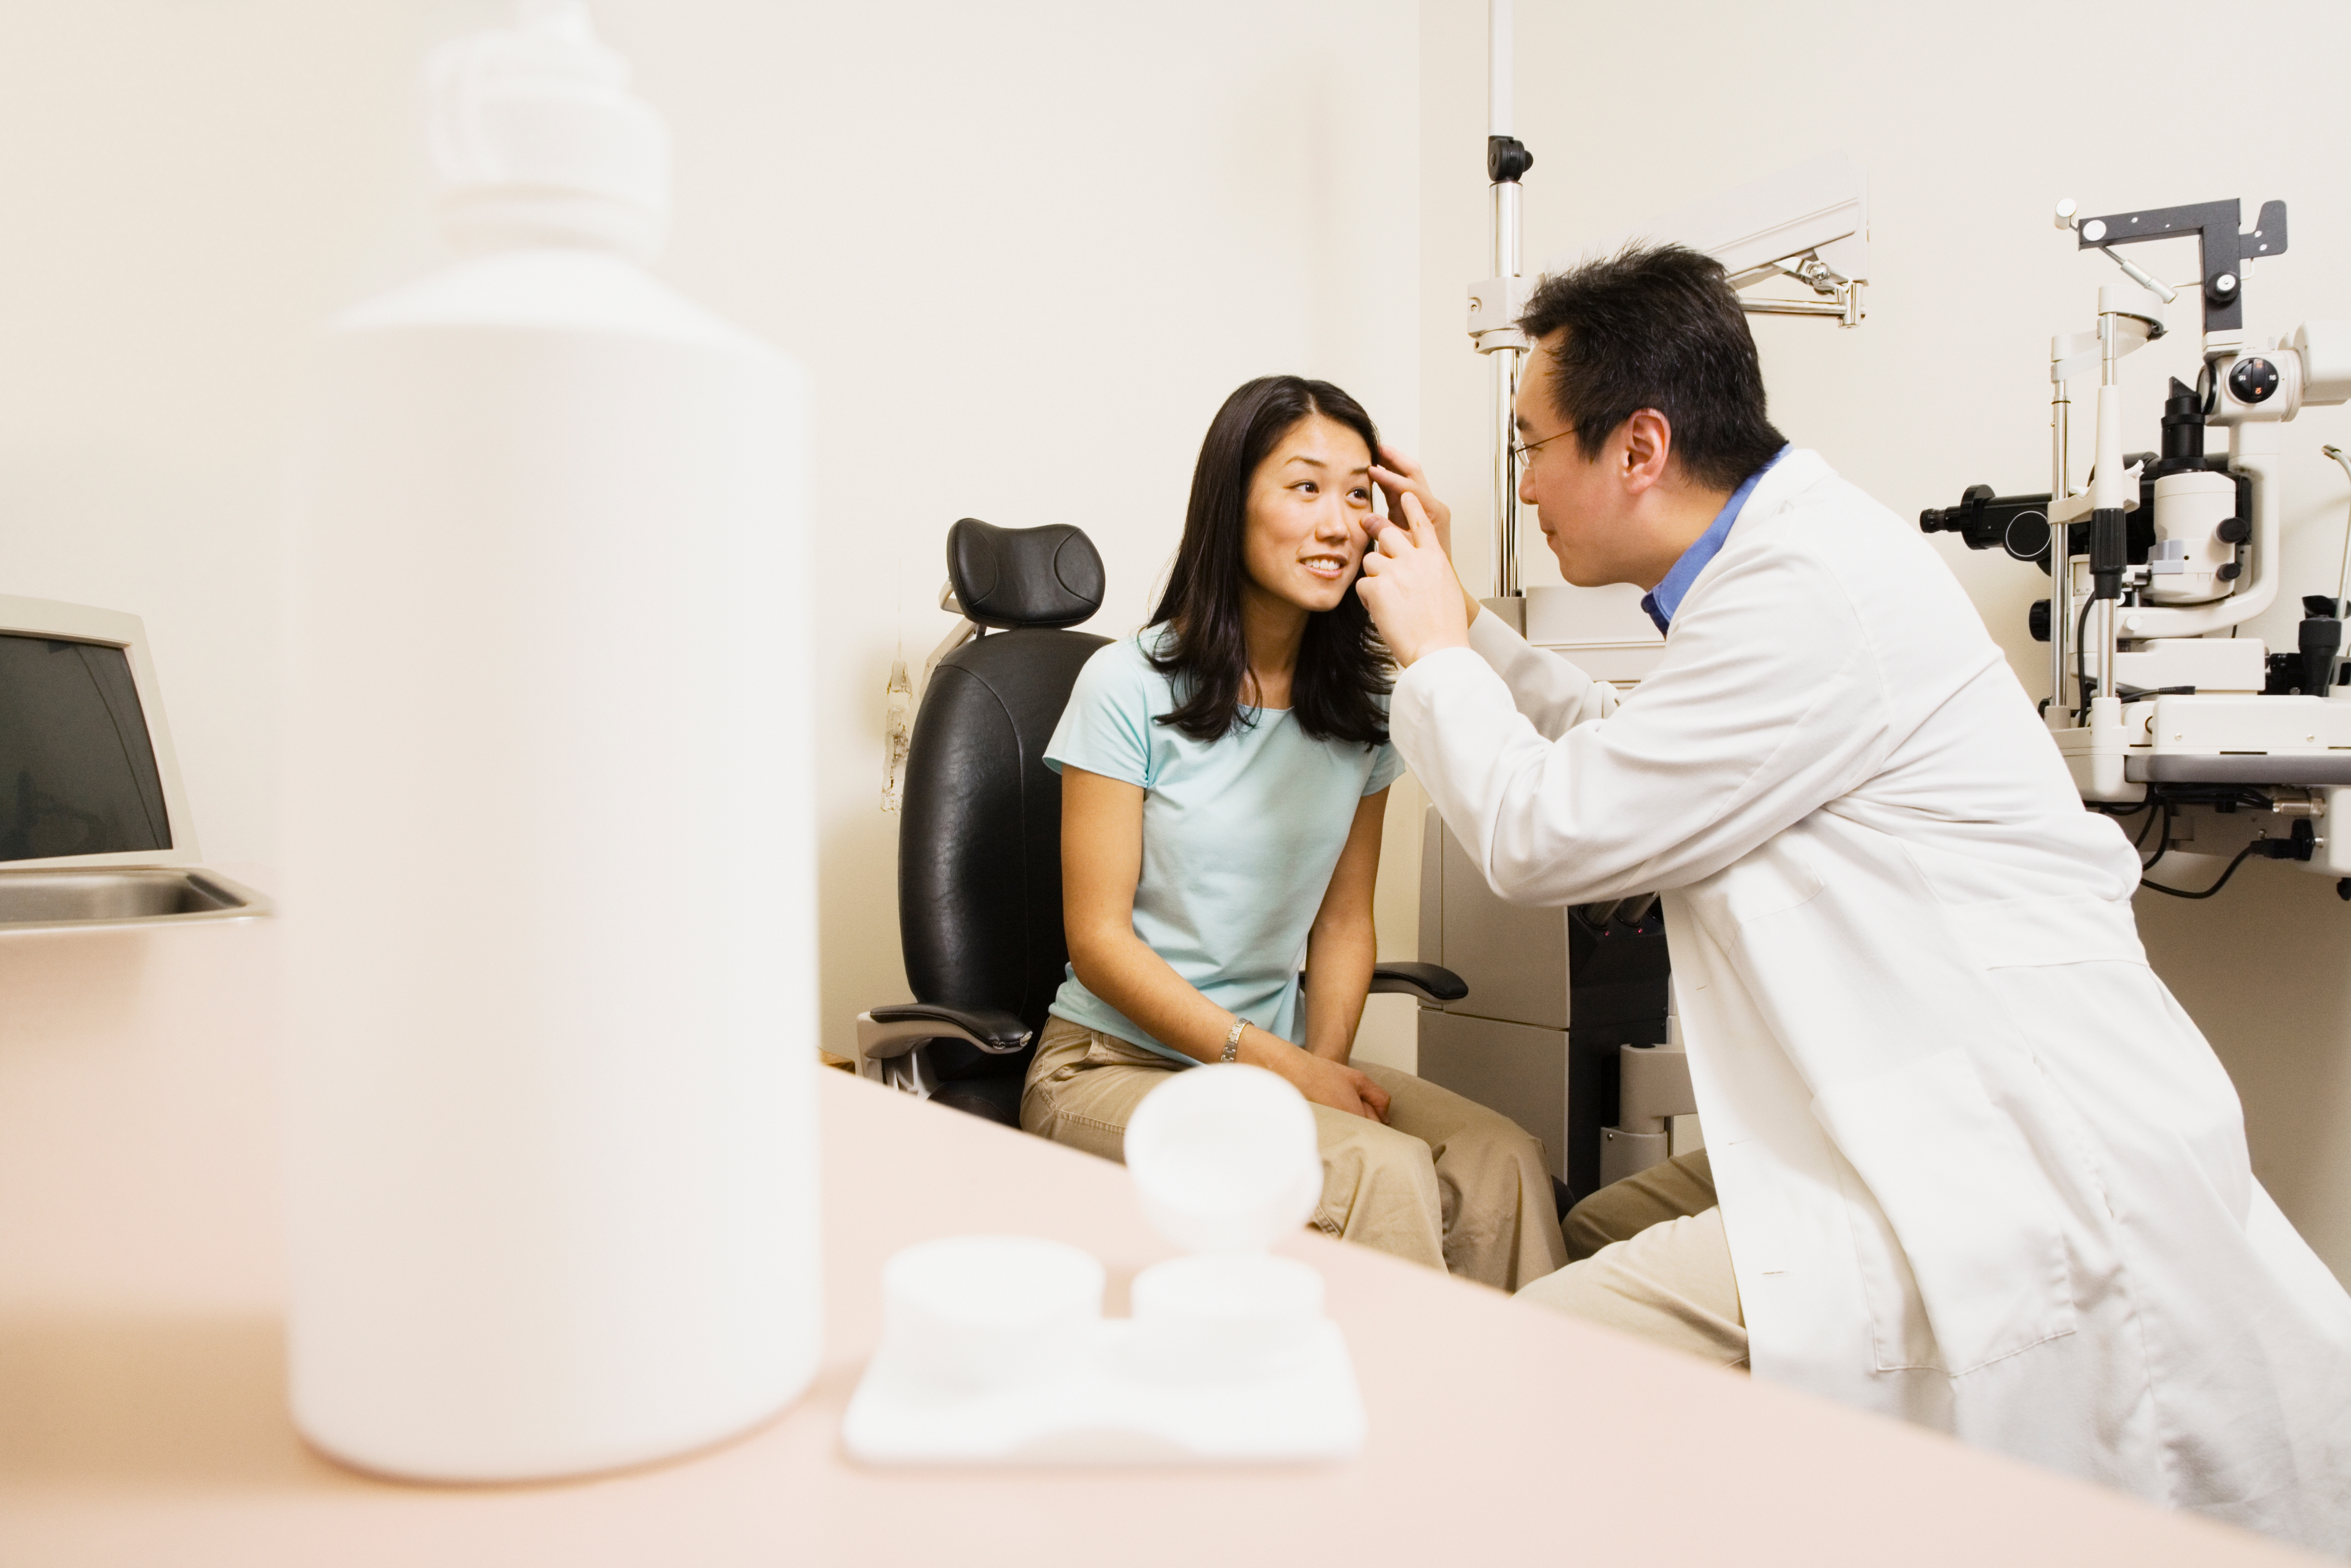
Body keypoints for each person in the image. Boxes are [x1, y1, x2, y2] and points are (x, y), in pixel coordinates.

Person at [1352, 244, 2351, 1549]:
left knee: (1527, 1358)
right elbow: (1629, 749)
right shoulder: (1775, 574)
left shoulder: (1803, 592)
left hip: (1994, 1155)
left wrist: (1432, 653)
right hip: (1901, 1101)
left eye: (1530, 444)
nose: (1524, 482)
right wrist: (1473, 631)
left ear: (1637, 446)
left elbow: (1551, 832)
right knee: (1592, 1221)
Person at [1021, 373, 1567, 1292]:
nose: (1338, 520)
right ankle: (1410, 1426)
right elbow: (1100, 942)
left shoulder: (1366, 703)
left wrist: (1320, 1065)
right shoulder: (1126, 686)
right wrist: (1280, 1069)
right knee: (1377, 1172)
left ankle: (1523, 1416)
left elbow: (1345, 922)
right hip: (1108, 1067)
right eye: (1305, 486)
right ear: (1230, 504)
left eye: (1360, 493)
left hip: (1272, 1063)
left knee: (1497, 1158)